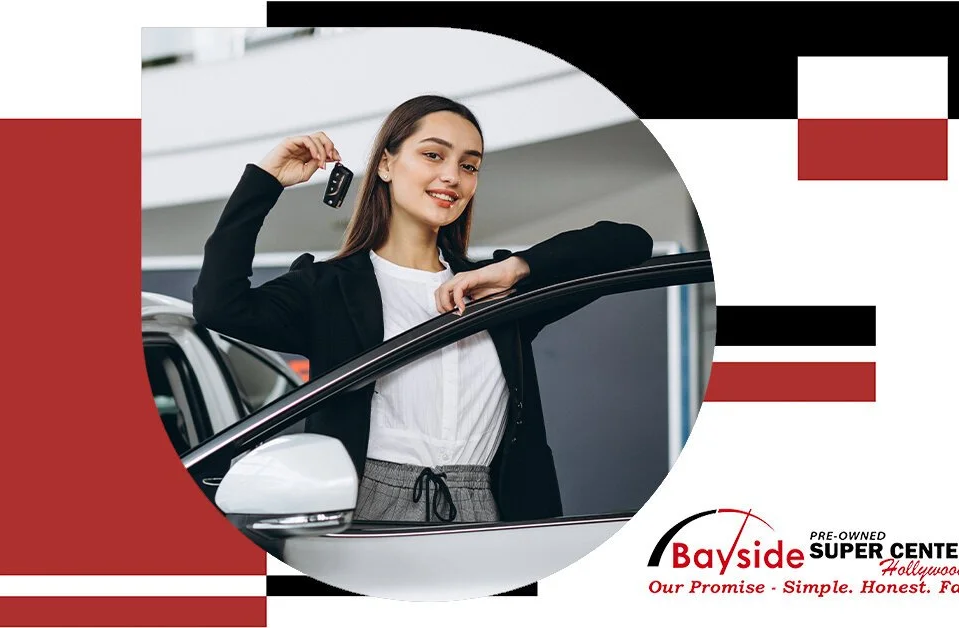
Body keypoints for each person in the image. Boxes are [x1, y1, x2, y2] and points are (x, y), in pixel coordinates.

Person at [193, 94, 653, 524]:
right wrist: (265, 181)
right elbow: (220, 306)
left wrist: (516, 269)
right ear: (387, 164)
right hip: (365, 505)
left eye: (469, 165)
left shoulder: (495, 290)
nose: (453, 176)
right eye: (434, 155)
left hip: (491, 508)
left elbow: (630, 242)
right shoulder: (329, 289)